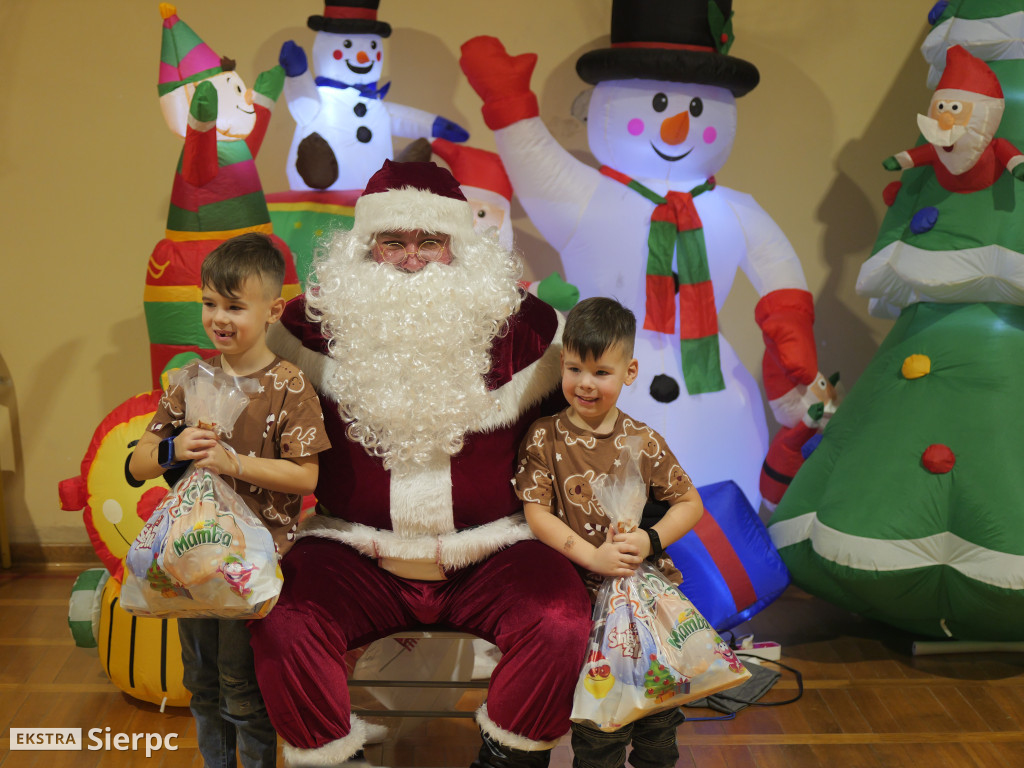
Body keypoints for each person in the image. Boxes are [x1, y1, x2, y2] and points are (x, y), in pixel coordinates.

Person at [249, 159, 593, 768]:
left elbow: (580, 438)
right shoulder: (304, 331)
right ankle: (336, 760)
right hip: (354, 550)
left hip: (493, 550)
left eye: (430, 242)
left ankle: (506, 758)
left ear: (457, 247)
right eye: (393, 242)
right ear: (365, 247)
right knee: (285, 623)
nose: (411, 258)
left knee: (561, 619)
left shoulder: (532, 334)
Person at [129, 232, 332, 768]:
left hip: (254, 563)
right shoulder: (189, 380)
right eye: (209, 303)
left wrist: (234, 464)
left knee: (242, 686)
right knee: (201, 682)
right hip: (191, 557)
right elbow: (137, 463)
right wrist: (172, 448)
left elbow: (307, 477)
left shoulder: (290, 385)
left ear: (273, 309)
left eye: (235, 306)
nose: (219, 318)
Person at [512, 296, 705, 768]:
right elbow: (536, 513)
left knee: (659, 725)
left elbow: (690, 503)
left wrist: (650, 539)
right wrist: (592, 557)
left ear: (630, 372)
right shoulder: (545, 436)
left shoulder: (644, 440)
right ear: (562, 364)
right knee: (599, 730)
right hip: (584, 608)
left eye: (602, 372)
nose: (586, 383)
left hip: (648, 611)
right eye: (575, 368)